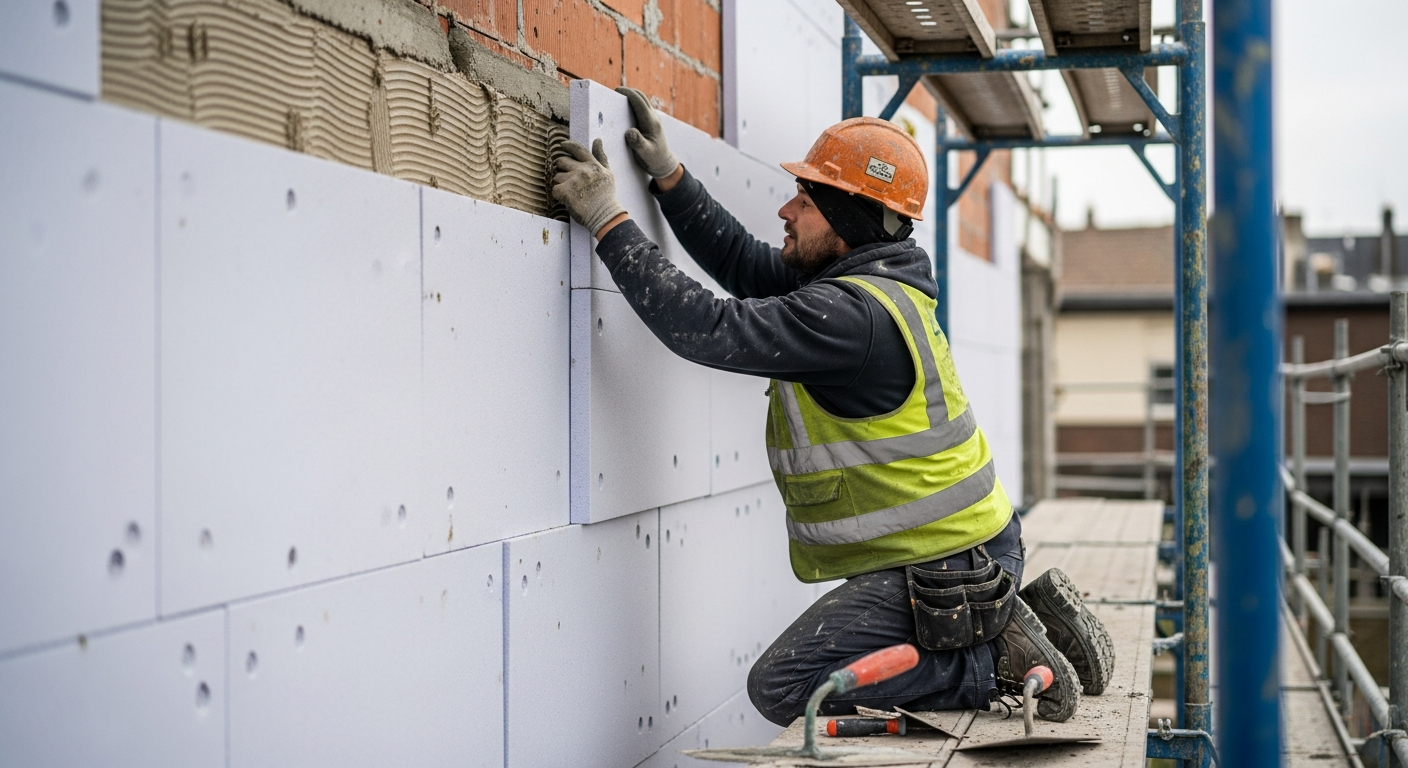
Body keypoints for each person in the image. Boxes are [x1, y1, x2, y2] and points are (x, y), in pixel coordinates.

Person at [549, 88, 1114, 726]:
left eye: (809, 199)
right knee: (794, 686)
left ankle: (993, 658)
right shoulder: (865, 287)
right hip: (964, 549)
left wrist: (606, 220)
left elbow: (703, 326)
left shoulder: (851, 317)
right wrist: (670, 178)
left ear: (848, 221)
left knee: (785, 688)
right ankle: (1015, 625)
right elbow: (745, 265)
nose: (787, 208)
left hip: (946, 565)